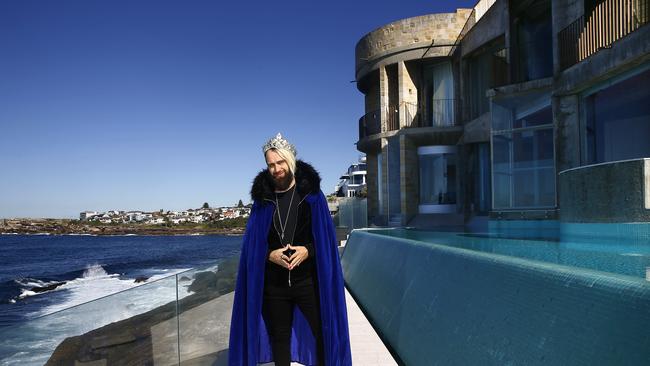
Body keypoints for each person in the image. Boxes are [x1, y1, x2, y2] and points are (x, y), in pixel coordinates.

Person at [228, 133, 352, 366]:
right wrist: (269, 254)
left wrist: (307, 250)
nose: (276, 169)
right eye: (271, 165)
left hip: (308, 282)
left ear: (290, 161)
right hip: (274, 285)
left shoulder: (312, 197)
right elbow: (253, 245)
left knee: (323, 334)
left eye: (280, 162)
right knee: (279, 339)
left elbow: (325, 240)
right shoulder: (262, 201)